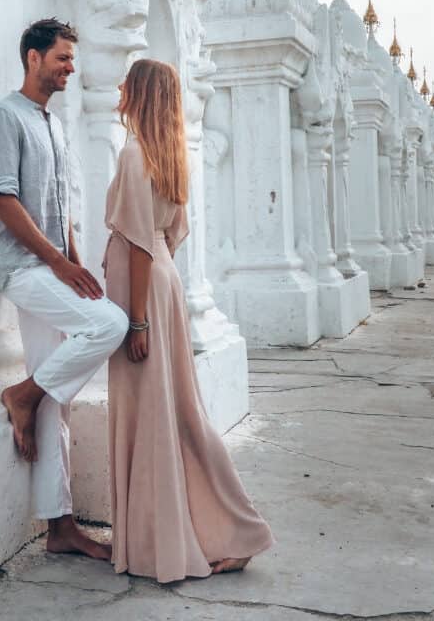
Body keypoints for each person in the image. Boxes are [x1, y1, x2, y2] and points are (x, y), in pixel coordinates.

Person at [104, 58, 275, 582]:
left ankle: (230, 531)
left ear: (140, 92)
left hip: (144, 291)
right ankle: (222, 531)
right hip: (163, 284)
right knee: (177, 411)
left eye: (126, 82)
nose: (118, 88)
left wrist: (137, 321)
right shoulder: (171, 158)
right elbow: (169, 236)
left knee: (158, 415)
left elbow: (136, 244)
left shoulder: (135, 155)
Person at [0, 18, 128, 560]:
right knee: (108, 324)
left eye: (72, 59)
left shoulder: (56, 126)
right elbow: (4, 200)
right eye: (63, 58)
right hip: (19, 267)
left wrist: (74, 262)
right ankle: (22, 393)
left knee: (53, 403)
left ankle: (61, 528)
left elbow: (61, 205)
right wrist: (57, 266)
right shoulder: (5, 117)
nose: (70, 68)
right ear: (33, 58)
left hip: (51, 266)